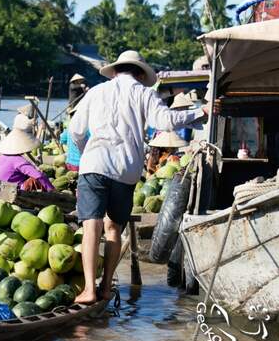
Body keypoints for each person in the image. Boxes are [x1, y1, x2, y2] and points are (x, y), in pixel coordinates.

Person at [69, 50, 207, 304]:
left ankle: (88, 289)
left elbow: (76, 131)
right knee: (112, 229)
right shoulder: (144, 93)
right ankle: (106, 286)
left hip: (93, 164)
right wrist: (200, 112)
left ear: (116, 70)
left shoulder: (96, 92)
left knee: (91, 225)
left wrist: (85, 154)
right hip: (125, 170)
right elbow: (165, 121)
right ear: (141, 74)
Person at [0, 118, 55, 192]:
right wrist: (52, 190)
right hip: (9, 190)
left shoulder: (1, 157)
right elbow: (39, 176)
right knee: (38, 178)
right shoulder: (18, 160)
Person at [58, 106, 87, 171]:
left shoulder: (69, 129)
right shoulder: (87, 130)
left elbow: (61, 140)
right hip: (82, 166)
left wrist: (63, 154)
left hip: (70, 164)